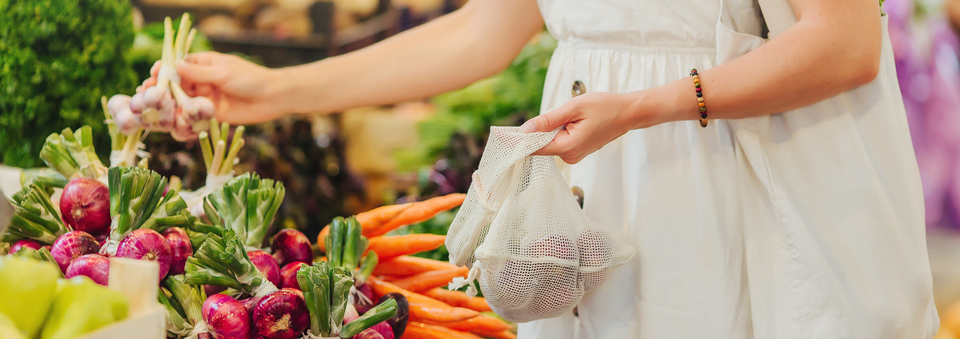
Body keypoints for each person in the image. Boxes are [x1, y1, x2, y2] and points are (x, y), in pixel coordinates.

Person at [141, 0, 939, 337]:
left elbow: (843, 42)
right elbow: (481, 33)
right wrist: (275, 88)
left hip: (743, 200)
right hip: (599, 211)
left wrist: (646, 105)